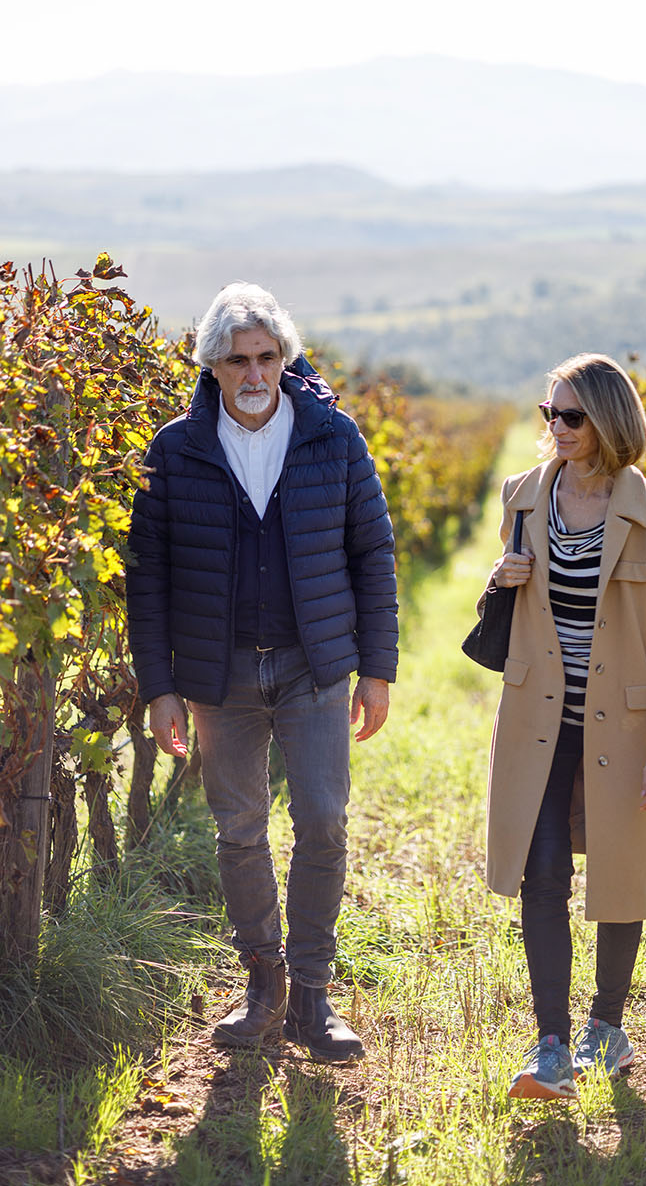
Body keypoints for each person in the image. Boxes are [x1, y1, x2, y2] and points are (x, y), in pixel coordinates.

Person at [126, 282, 398, 1061]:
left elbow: (371, 555)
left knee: (322, 820)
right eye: (237, 359)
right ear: (212, 366)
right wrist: (160, 687)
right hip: (218, 677)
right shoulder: (176, 450)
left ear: (286, 357)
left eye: (267, 356)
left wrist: (375, 668)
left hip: (315, 667)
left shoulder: (333, 437)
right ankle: (263, 984)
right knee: (239, 831)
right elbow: (149, 576)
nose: (254, 372)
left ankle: (313, 995)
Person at [482, 352, 646, 1098]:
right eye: (551, 414)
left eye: (572, 415)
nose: (558, 428)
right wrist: (497, 580)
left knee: (619, 874)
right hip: (535, 721)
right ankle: (549, 1045)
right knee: (540, 873)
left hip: (623, 727)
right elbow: (508, 611)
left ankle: (606, 1028)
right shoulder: (521, 498)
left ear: (609, 420)